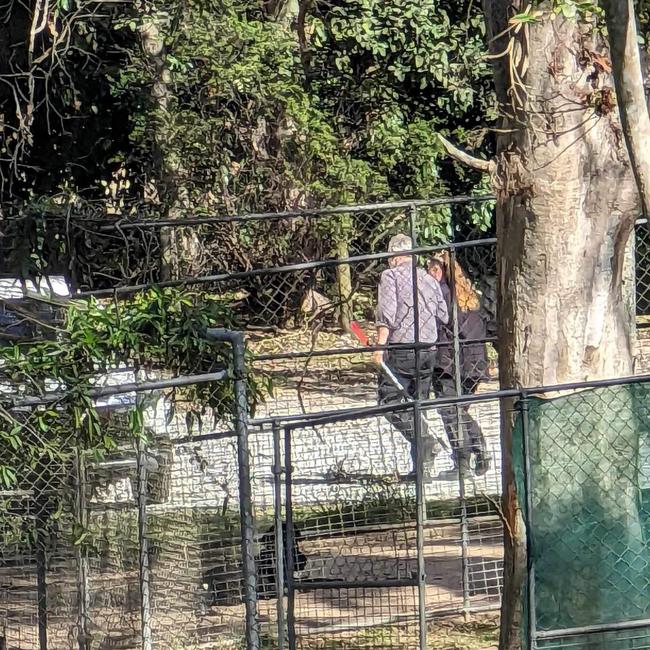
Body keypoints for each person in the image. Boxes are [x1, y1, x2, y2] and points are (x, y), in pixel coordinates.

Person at [374, 234, 449, 477]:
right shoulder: (427, 277)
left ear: (394, 256)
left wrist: (379, 347)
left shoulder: (391, 276)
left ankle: (424, 441)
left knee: (389, 401)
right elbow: (443, 313)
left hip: (404, 348)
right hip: (429, 348)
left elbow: (388, 313)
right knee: (420, 404)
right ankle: (422, 470)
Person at [428, 253, 491, 480]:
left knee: (449, 410)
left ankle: (462, 463)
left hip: (451, 363)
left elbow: (444, 328)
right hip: (475, 363)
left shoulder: (442, 294)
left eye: (432, 270)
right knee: (458, 410)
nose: (429, 274)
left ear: (441, 271)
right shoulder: (469, 295)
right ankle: (480, 447)